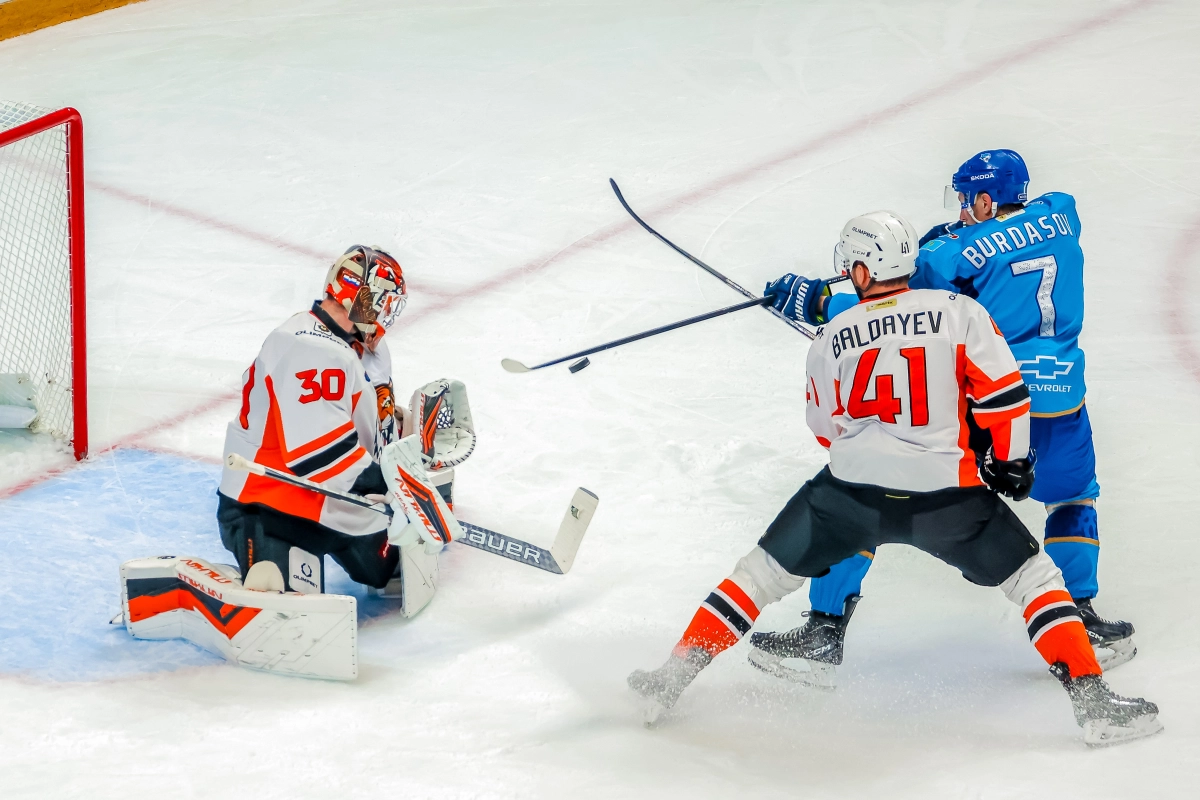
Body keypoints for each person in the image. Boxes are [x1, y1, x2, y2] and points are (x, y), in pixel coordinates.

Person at [628, 212, 1161, 747]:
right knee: (1035, 583)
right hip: (948, 499)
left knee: (757, 576)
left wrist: (871, 452)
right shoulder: (960, 312)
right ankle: (1094, 705)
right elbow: (1004, 395)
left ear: (860, 269)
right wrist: (1010, 461)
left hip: (851, 497)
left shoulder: (832, 334)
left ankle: (671, 679)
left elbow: (824, 429)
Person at [756, 151, 1134, 682]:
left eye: (965, 199)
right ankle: (1083, 623)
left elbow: (898, 304)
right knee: (1072, 497)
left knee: (871, 484)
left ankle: (824, 630)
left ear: (984, 198)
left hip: (993, 405)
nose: (959, 209)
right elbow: (1017, 231)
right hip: (1062, 400)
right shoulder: (1062, 212)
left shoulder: (951, 253)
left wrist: (817, 302)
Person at [216, 245, 475, 612]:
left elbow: (364, 422)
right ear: (362, 299)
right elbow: (316, 456)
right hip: (274, 502)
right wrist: (392, 485)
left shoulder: (364, 349)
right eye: (383, 302)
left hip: (341, 501)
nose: (386, 314)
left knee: (385, 569)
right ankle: (223, 582)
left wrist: (405, 434)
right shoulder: (305, 346)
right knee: (283, 601)